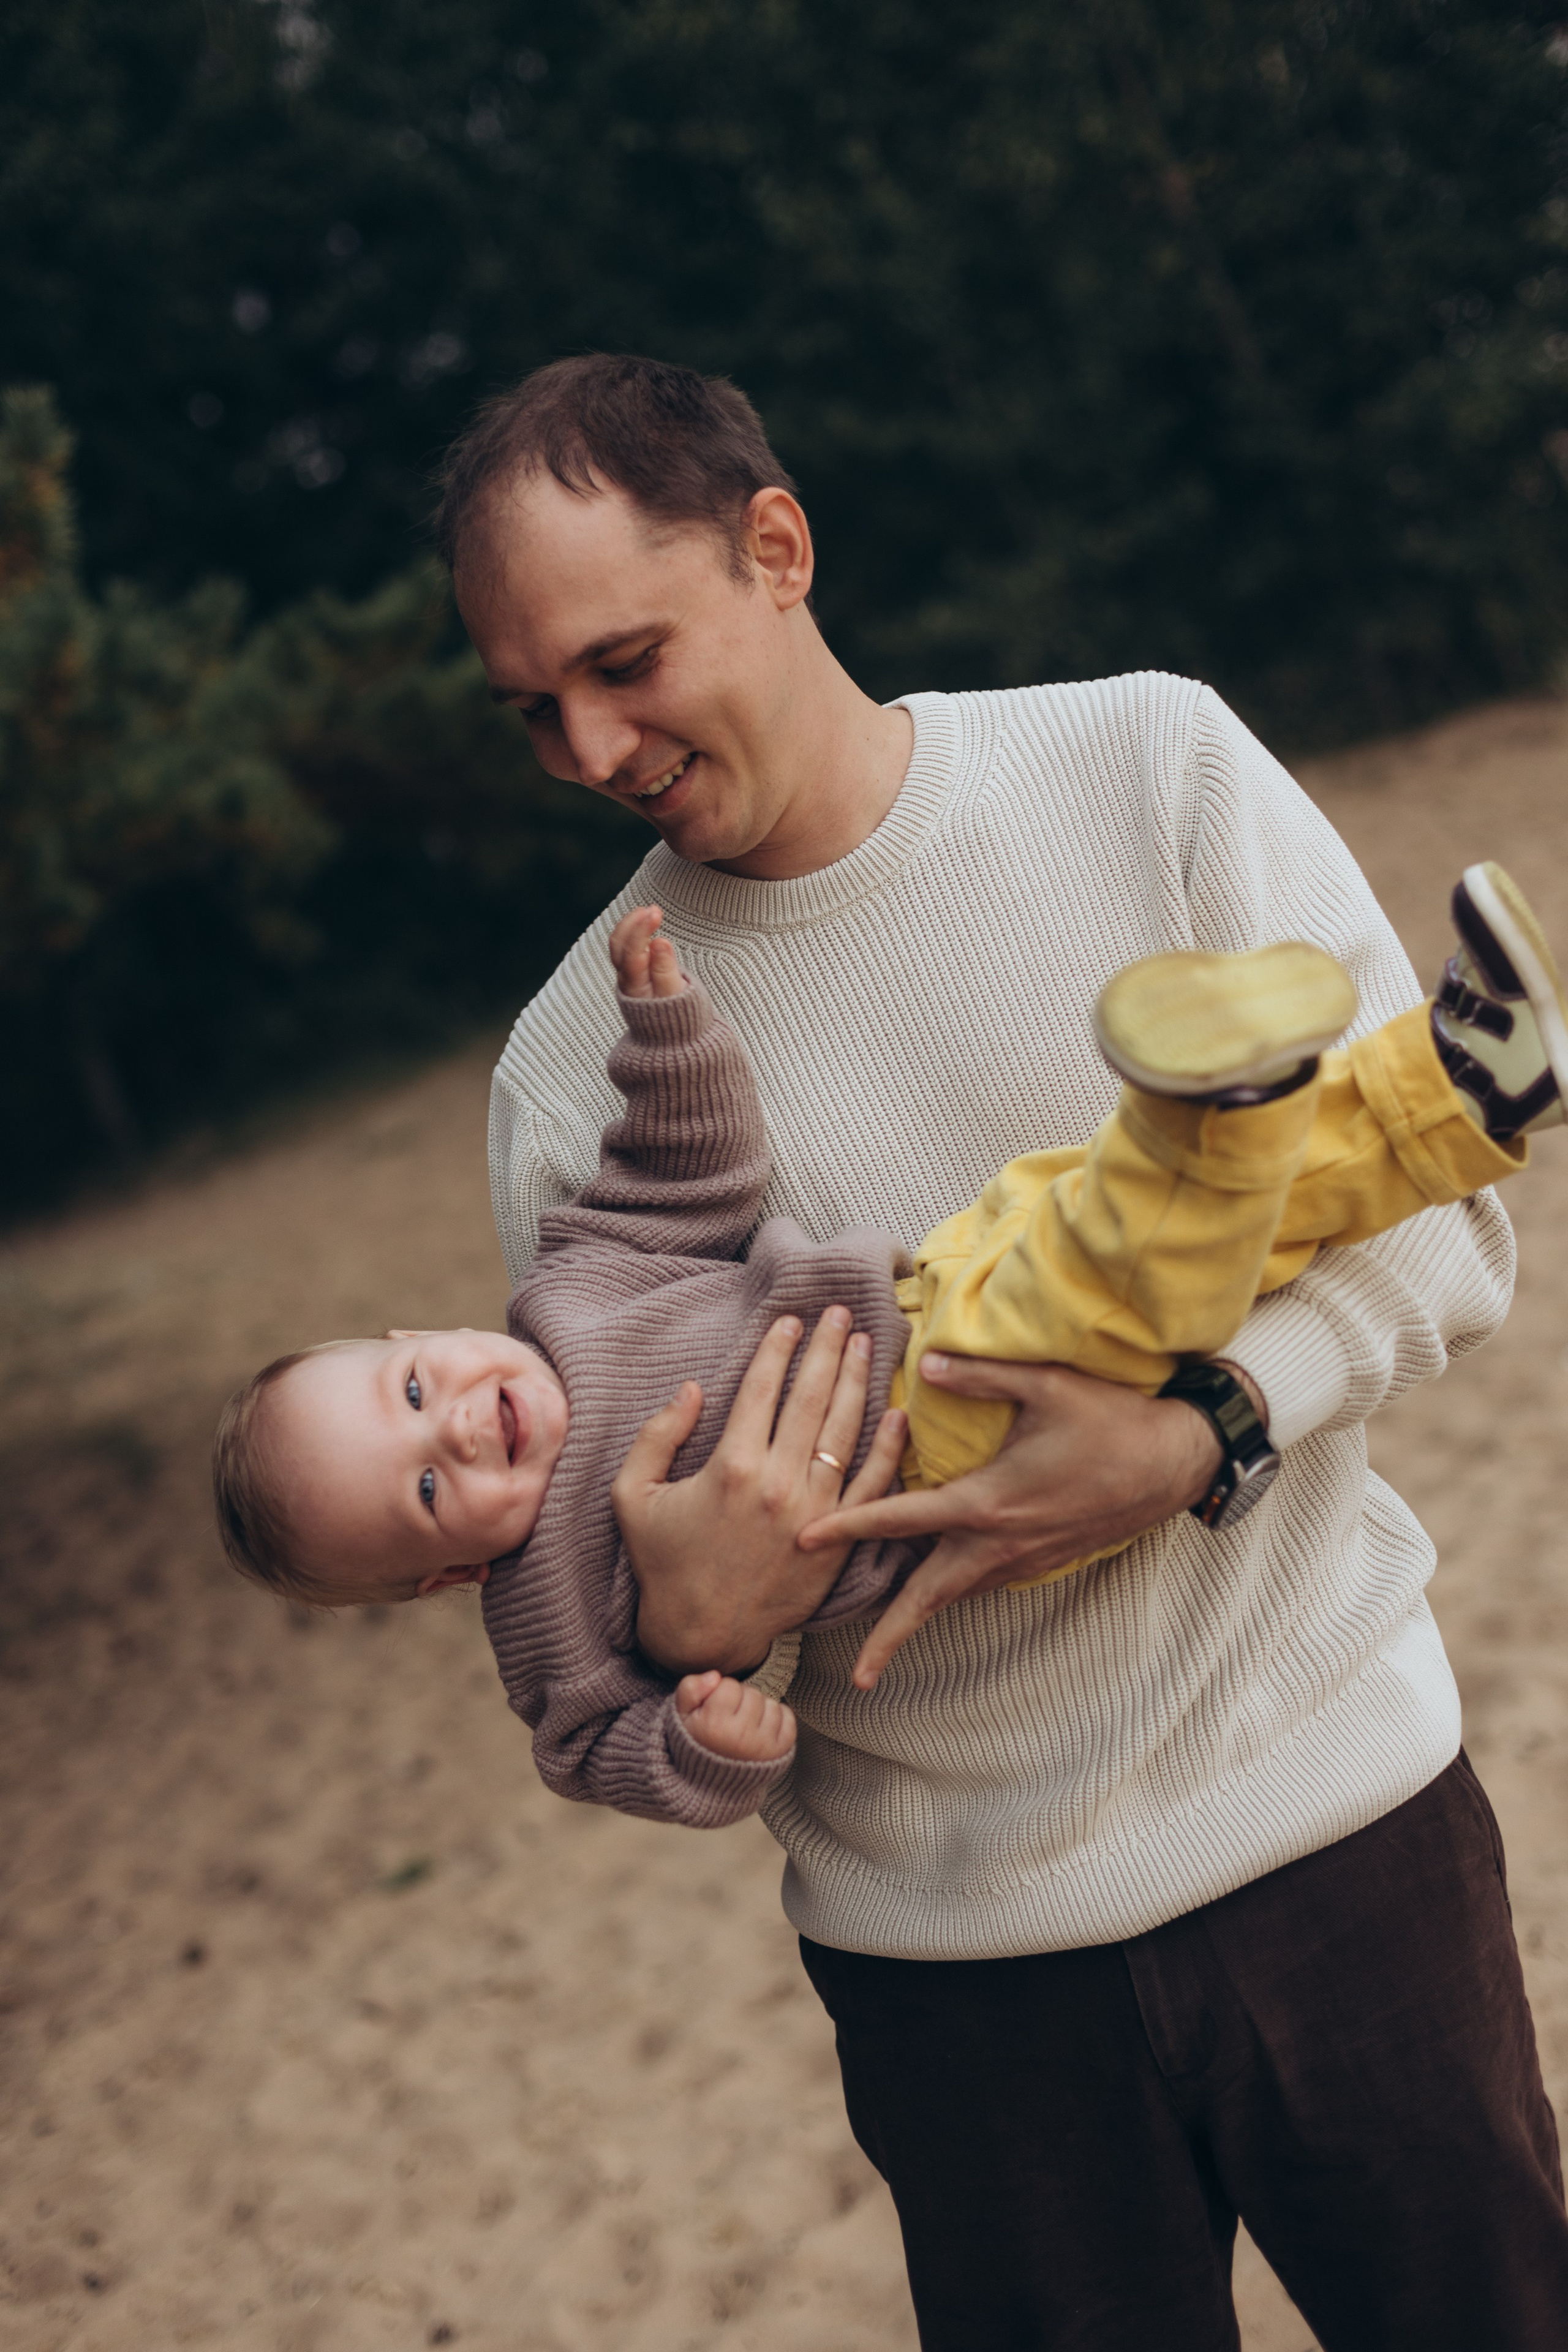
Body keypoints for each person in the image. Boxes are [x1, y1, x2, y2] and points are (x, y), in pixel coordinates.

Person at [448, 353, 1568, 2346]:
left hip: (1343, 1836)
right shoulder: (574, 1072)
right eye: (535, 706)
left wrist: (1211, 1429)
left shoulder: (1150, 762)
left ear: (776, 548)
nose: (591, 748)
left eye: (624, 662)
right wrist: (700, 1623)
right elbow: (623, 1646)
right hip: (959, 1986)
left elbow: (1453, 1225)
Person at [216, 863, 1562, 1829]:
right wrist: (704, 1721)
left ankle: (1463, 1080)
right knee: (1117, 1257)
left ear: (419, 1334)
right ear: (450, 1575)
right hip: (945, 1448)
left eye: (412, 1388)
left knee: (1133, 1218)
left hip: (932, 1285)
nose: (455, 1426)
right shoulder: (544, 1620)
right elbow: (596, 1754)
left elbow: (692, 1173)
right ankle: (1225, 1111)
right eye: (427, 1486)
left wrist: (666, 1036)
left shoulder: (576, 1284)